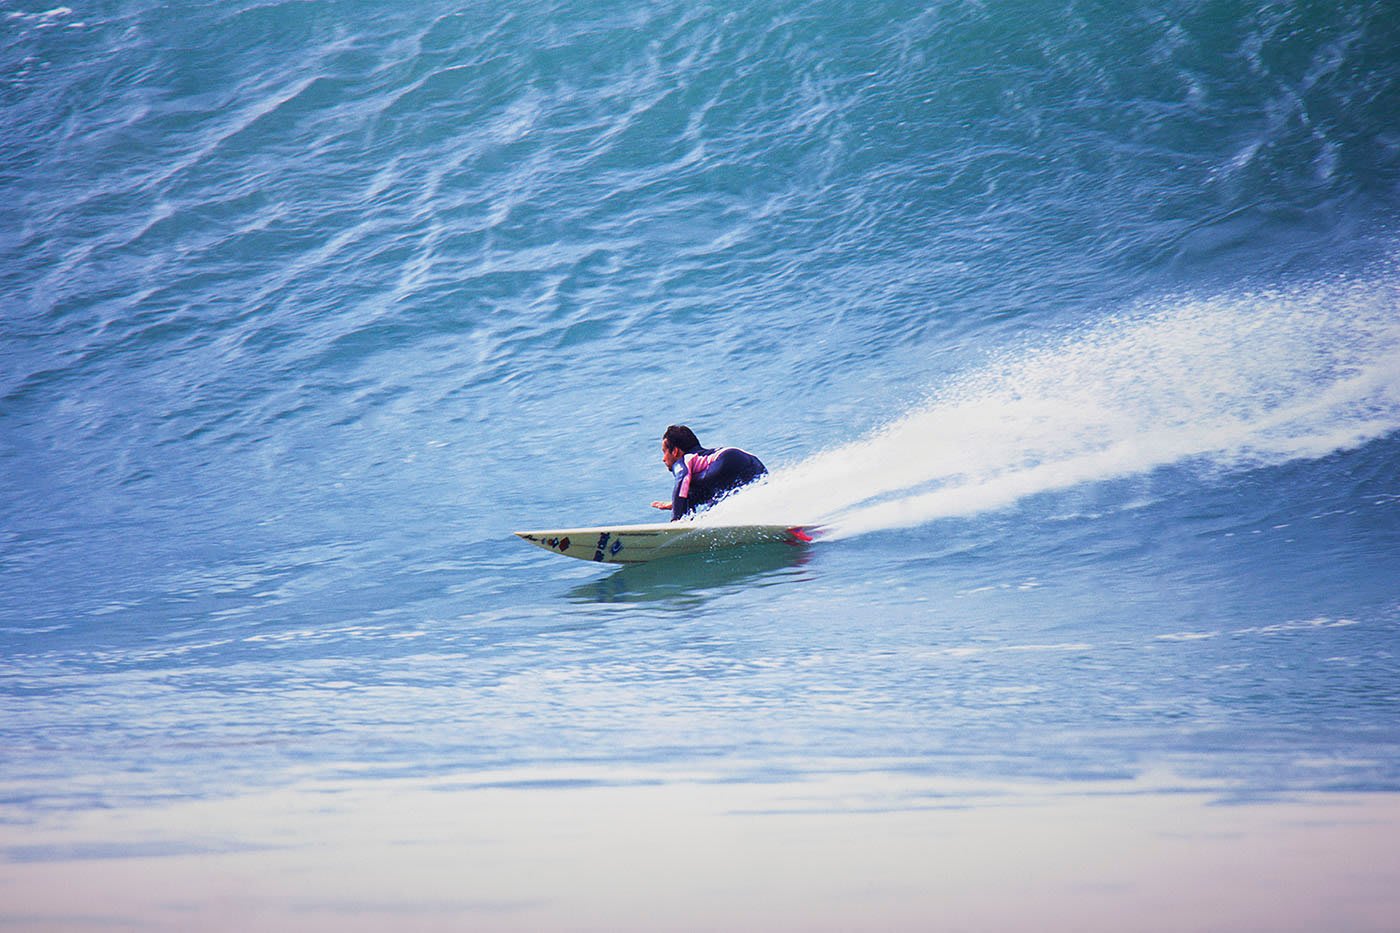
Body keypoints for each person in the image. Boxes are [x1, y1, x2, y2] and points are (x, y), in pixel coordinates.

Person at [649, 424, 767, 521]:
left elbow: (682, 480)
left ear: (675, 451)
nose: (663, 459)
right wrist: (676, 503)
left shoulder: (683, 460)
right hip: (753, 463)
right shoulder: (701, 458)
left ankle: (685, 524)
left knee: (692, 492)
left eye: (664, 452)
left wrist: (676, 518)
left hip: (726, 461)